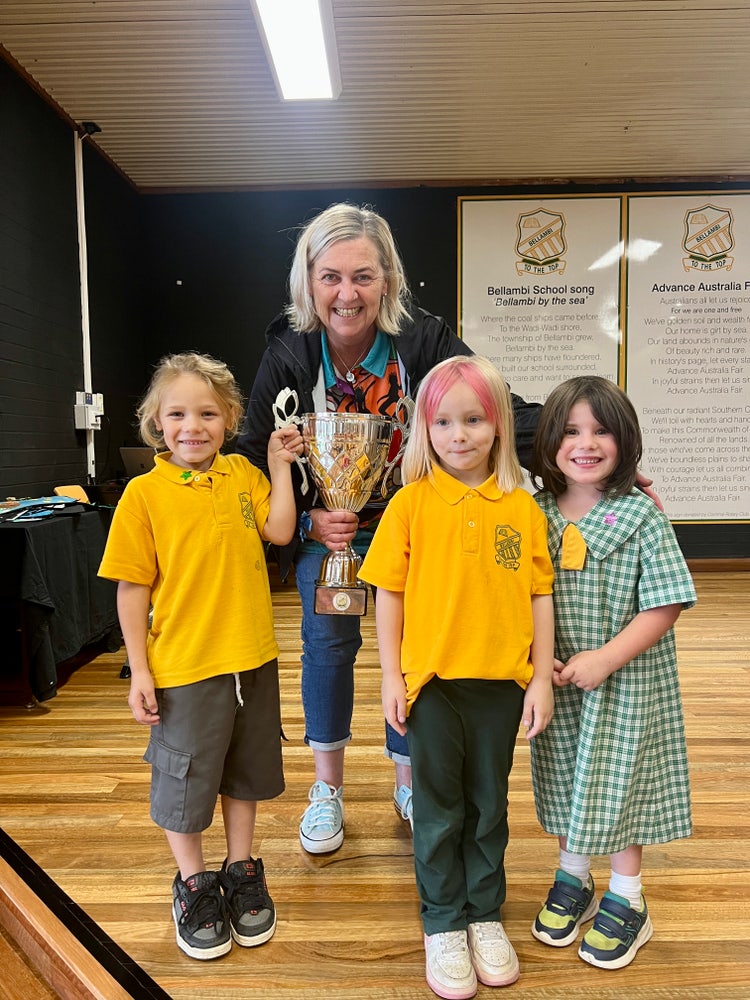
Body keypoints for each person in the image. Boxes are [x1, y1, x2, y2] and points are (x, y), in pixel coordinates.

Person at [237, 203, 543, 854]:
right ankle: (328, 789)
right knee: (327, 646)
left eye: (363, 276)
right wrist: (307, 514)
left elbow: (498, 408)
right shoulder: (289, 353)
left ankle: (409, 780)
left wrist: (593, 453)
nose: (346, 293)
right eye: (330, 276)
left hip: (416, 530)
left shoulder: (424, 343)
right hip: (331, 538)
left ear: (388, 280)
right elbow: (250, 451)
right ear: (308, 282)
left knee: (411, 653)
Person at [358, 356, 555, 999]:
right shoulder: (410, 505)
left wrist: (541, 679)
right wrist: (392, 675)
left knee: (489, 807)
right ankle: (443, 922)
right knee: (439, 810)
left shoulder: (522, 509)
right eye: (442, 421)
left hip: (501, 684)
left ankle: (484, 913)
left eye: (473, 419)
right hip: (432, 686)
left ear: (498, 426)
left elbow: (539, 596)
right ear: (424, 428)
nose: (458, 434)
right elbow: (388, 594)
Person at [98, 352, 303, 960]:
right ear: (155, 422)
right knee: (184, 782)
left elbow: (281, 531)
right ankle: (192, 883)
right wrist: (139, 668)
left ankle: (240, 869)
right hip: (185, 668)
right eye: (178, 414)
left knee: (246, 772)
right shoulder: (143, 494)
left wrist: (278, 466)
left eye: (208, 414)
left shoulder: (242, 474)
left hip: (253, 660)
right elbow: (131, 588)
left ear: (231, 418)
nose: (193, 426)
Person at [527, 375, 696, 971]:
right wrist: (532, 657)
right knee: (564, 776)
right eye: (571, 431)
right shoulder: (533, 515)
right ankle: (573, 875)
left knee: (621, 784)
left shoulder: (641, 516)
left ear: (625, 440)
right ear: (548, 441)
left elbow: (667, 602)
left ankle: (628, 896)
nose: (586, 444)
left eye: (601, 431)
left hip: (627, 684)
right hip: (558, 684)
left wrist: (606, 658)